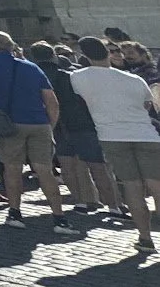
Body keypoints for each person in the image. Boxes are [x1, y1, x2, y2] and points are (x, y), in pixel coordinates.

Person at [0, 30, 78, 235]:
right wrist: (50, 125)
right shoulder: (32, 67)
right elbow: (52, 102)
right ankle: (59, 217)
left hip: (9, 126)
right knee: (45, 171)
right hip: (38, 123)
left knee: (12, 170)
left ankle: (15, 214)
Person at [69, 36, 160, 255]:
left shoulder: (78, 77)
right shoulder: (133, 79)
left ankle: (145, 239)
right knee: (157, 185)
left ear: (85, 55)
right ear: (109, 53)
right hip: (146, 134)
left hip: (112, 135)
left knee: (133, 188)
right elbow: (148, 105)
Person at [30, 41, 117, 215]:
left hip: (54, 124)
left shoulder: (33, 76)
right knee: (97, 165)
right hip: (80, 123)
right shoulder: (69, 75)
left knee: (67, 164)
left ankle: (83, 201)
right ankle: (114, 205)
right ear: (53, 55)